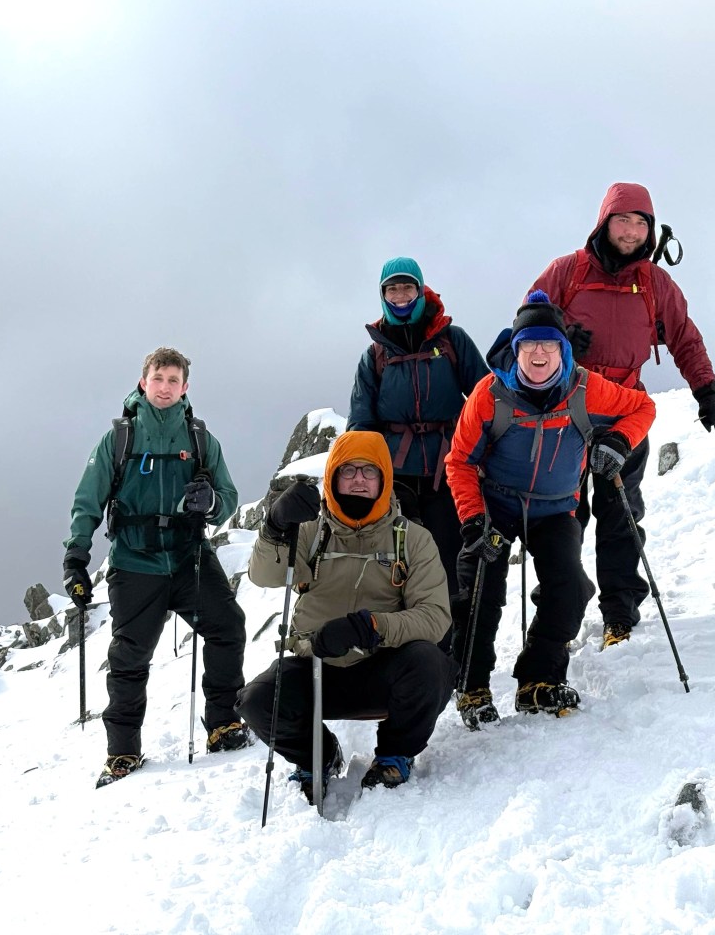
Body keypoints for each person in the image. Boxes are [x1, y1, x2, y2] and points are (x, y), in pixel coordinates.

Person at [529, 182, 715, 650]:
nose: (631, 231)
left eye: (640, 223)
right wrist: (559, 336)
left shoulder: (655, 283)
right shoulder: (567, 272)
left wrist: (707, 392)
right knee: (561, 516)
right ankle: (557, 610)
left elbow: (685, 338)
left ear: (651, 230)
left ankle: (619, 614)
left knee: (621, 514)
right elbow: (525, 326)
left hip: (625, 411)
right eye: (622, 221)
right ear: (604, 223)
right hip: (565, 411)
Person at [444, 292, 655, 727]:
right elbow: (460, 462)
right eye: (529, 345)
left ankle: (537, 678)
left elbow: (641, 407)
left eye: (548, 344)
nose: (538, 353)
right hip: (496, 504)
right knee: (479, 586)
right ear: (516, 348)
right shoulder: (490, 394)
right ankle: (472, 685)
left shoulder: (585, 387)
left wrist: (618, 441)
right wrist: (472, 519)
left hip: (556, 508)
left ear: (562, 348)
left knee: (571, 589)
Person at [62, 346, 249, 788]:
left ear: (185, 388)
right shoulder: (119, 439)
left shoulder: (202, 440)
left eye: (173, 381)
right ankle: (123, 753)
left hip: (189, 558)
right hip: (135, 561)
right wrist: (76, 558)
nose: (165, 387)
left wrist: (213, 503)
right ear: (143, 382)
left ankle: (223, 725)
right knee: (130, 656)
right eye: (158, 378)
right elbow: (88, 501)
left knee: (228, 628)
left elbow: (229, 498)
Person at [236, 431, 455, 800]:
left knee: (431, 666)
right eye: (348, 470)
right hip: (316, 667)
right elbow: (265, 575)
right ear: (333, 478)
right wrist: (274, 527)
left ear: (384, 479)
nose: (358, 480)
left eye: (369, 472)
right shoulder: (309, 532)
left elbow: (434, 617)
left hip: (381, 669)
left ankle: (395, 755)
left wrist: (369, 628)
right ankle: (318, 755)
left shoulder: (412, 539)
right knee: (257, 700)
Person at [347, 257, 489, 612]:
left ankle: (454, 648)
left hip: (450, 468)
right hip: (398, 478)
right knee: (400, 563)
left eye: (407, 286)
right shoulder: (375, 355)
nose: (400, 294)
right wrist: (364, 476)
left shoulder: (451, 340)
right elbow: (362, 422)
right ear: (382, 295)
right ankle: (410, 649)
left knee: (452, 559)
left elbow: (486, 395)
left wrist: (492, 448)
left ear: (420, 289)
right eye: (392, 288)